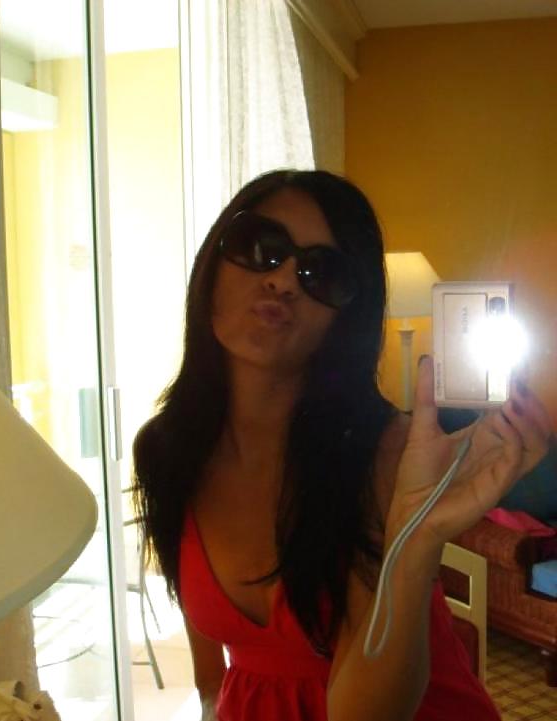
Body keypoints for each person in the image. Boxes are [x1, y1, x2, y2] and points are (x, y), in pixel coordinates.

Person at [132, 170, 553, 721]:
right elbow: (211, 674)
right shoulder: (166, 451)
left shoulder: (386, 453)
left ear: (344, 320)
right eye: (261, 247)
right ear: (213, 261)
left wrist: (417, 537)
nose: (284, 280)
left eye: (322, 274)